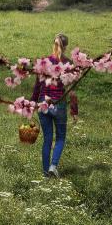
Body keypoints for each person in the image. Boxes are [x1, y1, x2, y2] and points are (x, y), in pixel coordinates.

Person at [31, 33, 77, 178]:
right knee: (61, 138)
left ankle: (45, 174)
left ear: (54, 44)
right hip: (59, 105)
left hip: (43, 104)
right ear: (66, 46)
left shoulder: (44, 62)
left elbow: (37, 86)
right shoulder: (69, 64)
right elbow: (71, 92)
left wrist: (32, 104)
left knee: (47, 140)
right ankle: (53, 166)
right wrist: (74, 111)